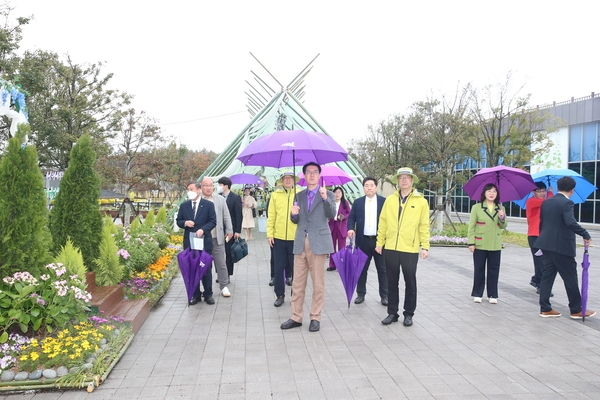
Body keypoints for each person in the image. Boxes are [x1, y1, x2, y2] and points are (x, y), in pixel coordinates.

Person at [280, 162, 336, 332]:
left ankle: (315, 317)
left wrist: (325, 198)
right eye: (308, 172)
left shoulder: (328, 194)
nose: (312, 175)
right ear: (304, 175)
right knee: (297, 283)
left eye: (315, 172)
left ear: (319, 175)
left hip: (318, 242)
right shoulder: (300, 195)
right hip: (300, 242)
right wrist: (293, 214)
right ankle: (296, 316)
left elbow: (331, 214)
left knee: (318, 283)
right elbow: (295, 220)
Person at [535, 176, 595, 319]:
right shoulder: (567, 203)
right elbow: (570, 222)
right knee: (570, 278)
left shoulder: (547, 202)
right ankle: (576, 309)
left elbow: (542, 223)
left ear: (558, 187)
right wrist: (585, 234)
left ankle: (545, 308)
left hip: (546, 244)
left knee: (547, 277)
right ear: (572, 190)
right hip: (561, 246)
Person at [376, 167, 429, 327]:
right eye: (401, 178)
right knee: (392, 281)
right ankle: (392, 312)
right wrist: (380, 242)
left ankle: (409, 313)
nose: (404, 180)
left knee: (410, 281)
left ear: (412, 181)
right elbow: (383, 221)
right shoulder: (390, 200)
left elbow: (424, 225)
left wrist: (425, 246)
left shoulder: (421, 201)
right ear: (397, 181)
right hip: (391, 247)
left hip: (410, 248)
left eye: (407, 178)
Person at [347, 177, 387, 306]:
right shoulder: (358, 202)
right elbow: (351, 217)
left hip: (379, 242)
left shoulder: (384, 202)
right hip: (362, 240)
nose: (369, 187)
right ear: (363, 187)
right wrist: (350, 228)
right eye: (366, 185)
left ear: (376, 187)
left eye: (371, 185)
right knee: (361, 269)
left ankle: (384, 296)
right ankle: (361, 294)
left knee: (383, 269)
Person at [176, 181, 217, 305]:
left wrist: (203, 229)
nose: (189, 192)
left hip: (204, 241)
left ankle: (208, 294)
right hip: (190, 242)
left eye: (191, 189)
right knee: (192, 269)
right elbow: (179, 221)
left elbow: (213, 221)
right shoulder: (184, 206)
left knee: (205, 268)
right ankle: (195, 294)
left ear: (199, 190)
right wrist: (185, 223)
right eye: (188, 189)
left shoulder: (208, 205)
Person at [467, 183, 507, 304]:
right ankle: (478, 293)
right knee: (479, 269)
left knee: (494, 269)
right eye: (489, 191)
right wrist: (471, 243)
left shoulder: (500, 208)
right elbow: (471, 226)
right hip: (480, 243)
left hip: (495, 243)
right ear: (484, 193)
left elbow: (503, 226)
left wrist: (502, 217)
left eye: (494, 191)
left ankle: (492, 294)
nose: (491, 193)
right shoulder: (477, 207)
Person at [267, 170, 298, 307]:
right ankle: (279, 294)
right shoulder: (275, 195)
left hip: (295, 238)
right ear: (281, 180)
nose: (288, 180)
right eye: (285, 178)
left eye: (290, 178)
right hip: (278, 237)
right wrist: (270, 234)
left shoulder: (299, 195)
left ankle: (296, 295)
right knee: (279, 268)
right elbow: (271, 216)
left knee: (296, 268)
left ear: (293, 180)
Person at [200, 177, 233, 298]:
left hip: (217, 237)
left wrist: (229, 230)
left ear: (213, 186)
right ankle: (205, 289)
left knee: (221, 263)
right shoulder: (198, 200)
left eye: (210, 185)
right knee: (203, 264)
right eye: (205, 185)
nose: (208, 188)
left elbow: (226, 215)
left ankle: (224, 285)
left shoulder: (219, 199)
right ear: (201, 187)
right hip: (202, 238)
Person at [525, 182, 553, 293]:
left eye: (544, 191)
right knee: (540, 261)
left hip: (545, 235)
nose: (542, 193)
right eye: (539, 191)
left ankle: (536, 279)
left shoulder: (546, 203)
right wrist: (550, 193)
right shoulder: (531, 201)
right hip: (534, 235)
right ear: (533, 192)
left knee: (546, 261)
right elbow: (547, 201)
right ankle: (542, 286)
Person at [218, 177, 243, 277]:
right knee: (219, 253)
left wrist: (237, 230)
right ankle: (220, 274)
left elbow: (238, 215)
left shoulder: (235, 197)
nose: (218, 187)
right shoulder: (217, 197)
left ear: (226, 186)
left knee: (228, 252)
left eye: (220, 185)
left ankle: (227, 274)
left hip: (230, 230)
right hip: (219, 230)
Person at [327, 186, 351, 271]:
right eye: (336, 192)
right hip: (332, 225)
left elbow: (349, 213)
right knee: (332, 246)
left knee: (342, 247)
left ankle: (342, 265)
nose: (337, 194)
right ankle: (332, 265)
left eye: (339, 192)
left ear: (342, 194)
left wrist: (343, 216)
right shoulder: (330, 202)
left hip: (341, 226)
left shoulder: (345, 203)